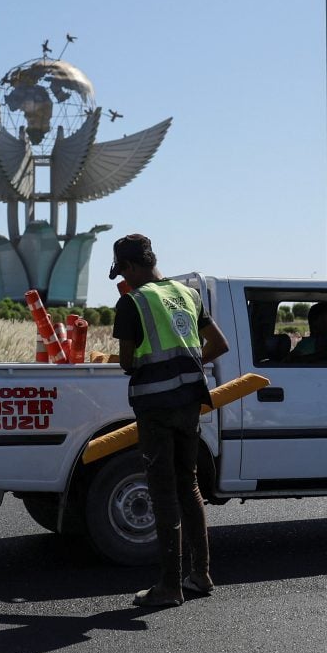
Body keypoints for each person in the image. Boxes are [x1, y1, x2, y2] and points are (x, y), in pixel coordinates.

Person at [109, 234, 230, 607]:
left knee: (162, 492)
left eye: (122, 272)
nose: (124, 279)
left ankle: (169, 586)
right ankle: (201, 574)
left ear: (130, 267)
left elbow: (127, 361)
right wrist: (186, 363)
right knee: (188, 485)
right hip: (189, 402)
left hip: (156, 407)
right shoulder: (187, 294)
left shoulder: (132, 302)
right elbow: (219, 344)